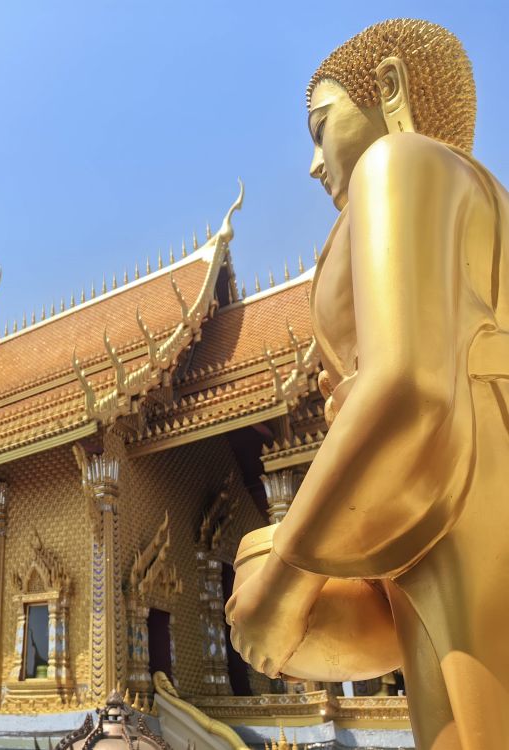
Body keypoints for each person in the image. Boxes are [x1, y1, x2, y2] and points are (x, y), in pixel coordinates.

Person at [225, 19, 509, 750]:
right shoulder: (485, 204)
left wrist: (285, 580)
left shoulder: (400, 162)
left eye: (321, 128)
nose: (313, 164)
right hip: (455, 518)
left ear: (388, 87)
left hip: (459, 503)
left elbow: (408, 387)